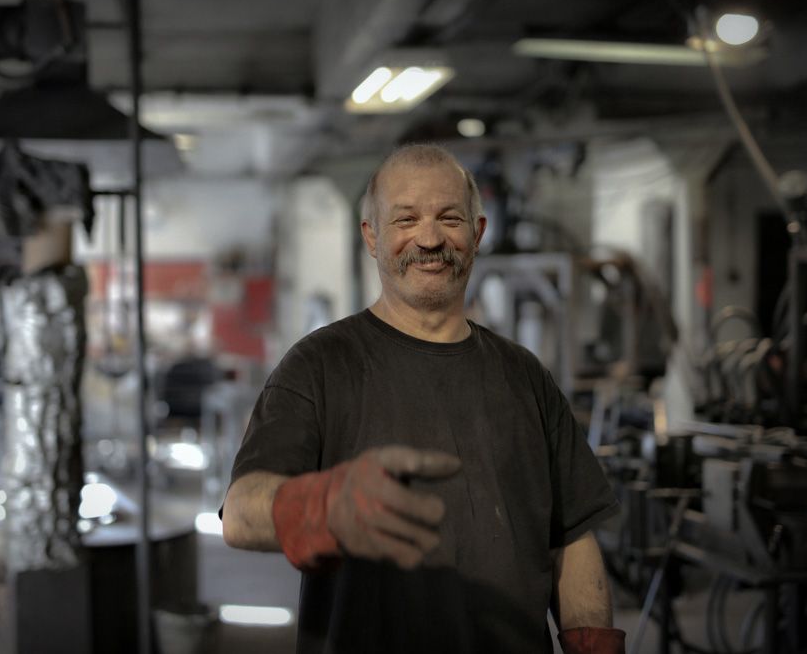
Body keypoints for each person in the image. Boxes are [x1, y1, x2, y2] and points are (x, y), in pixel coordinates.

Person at [222, 143, 624, 653]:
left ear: (477, 234)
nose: (430, 238)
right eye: (406, 219)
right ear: (373, 236)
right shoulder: (319, 365)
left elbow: (572, 538)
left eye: (450, 218)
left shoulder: (524, 375)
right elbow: (239, 513)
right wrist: (323, 505)